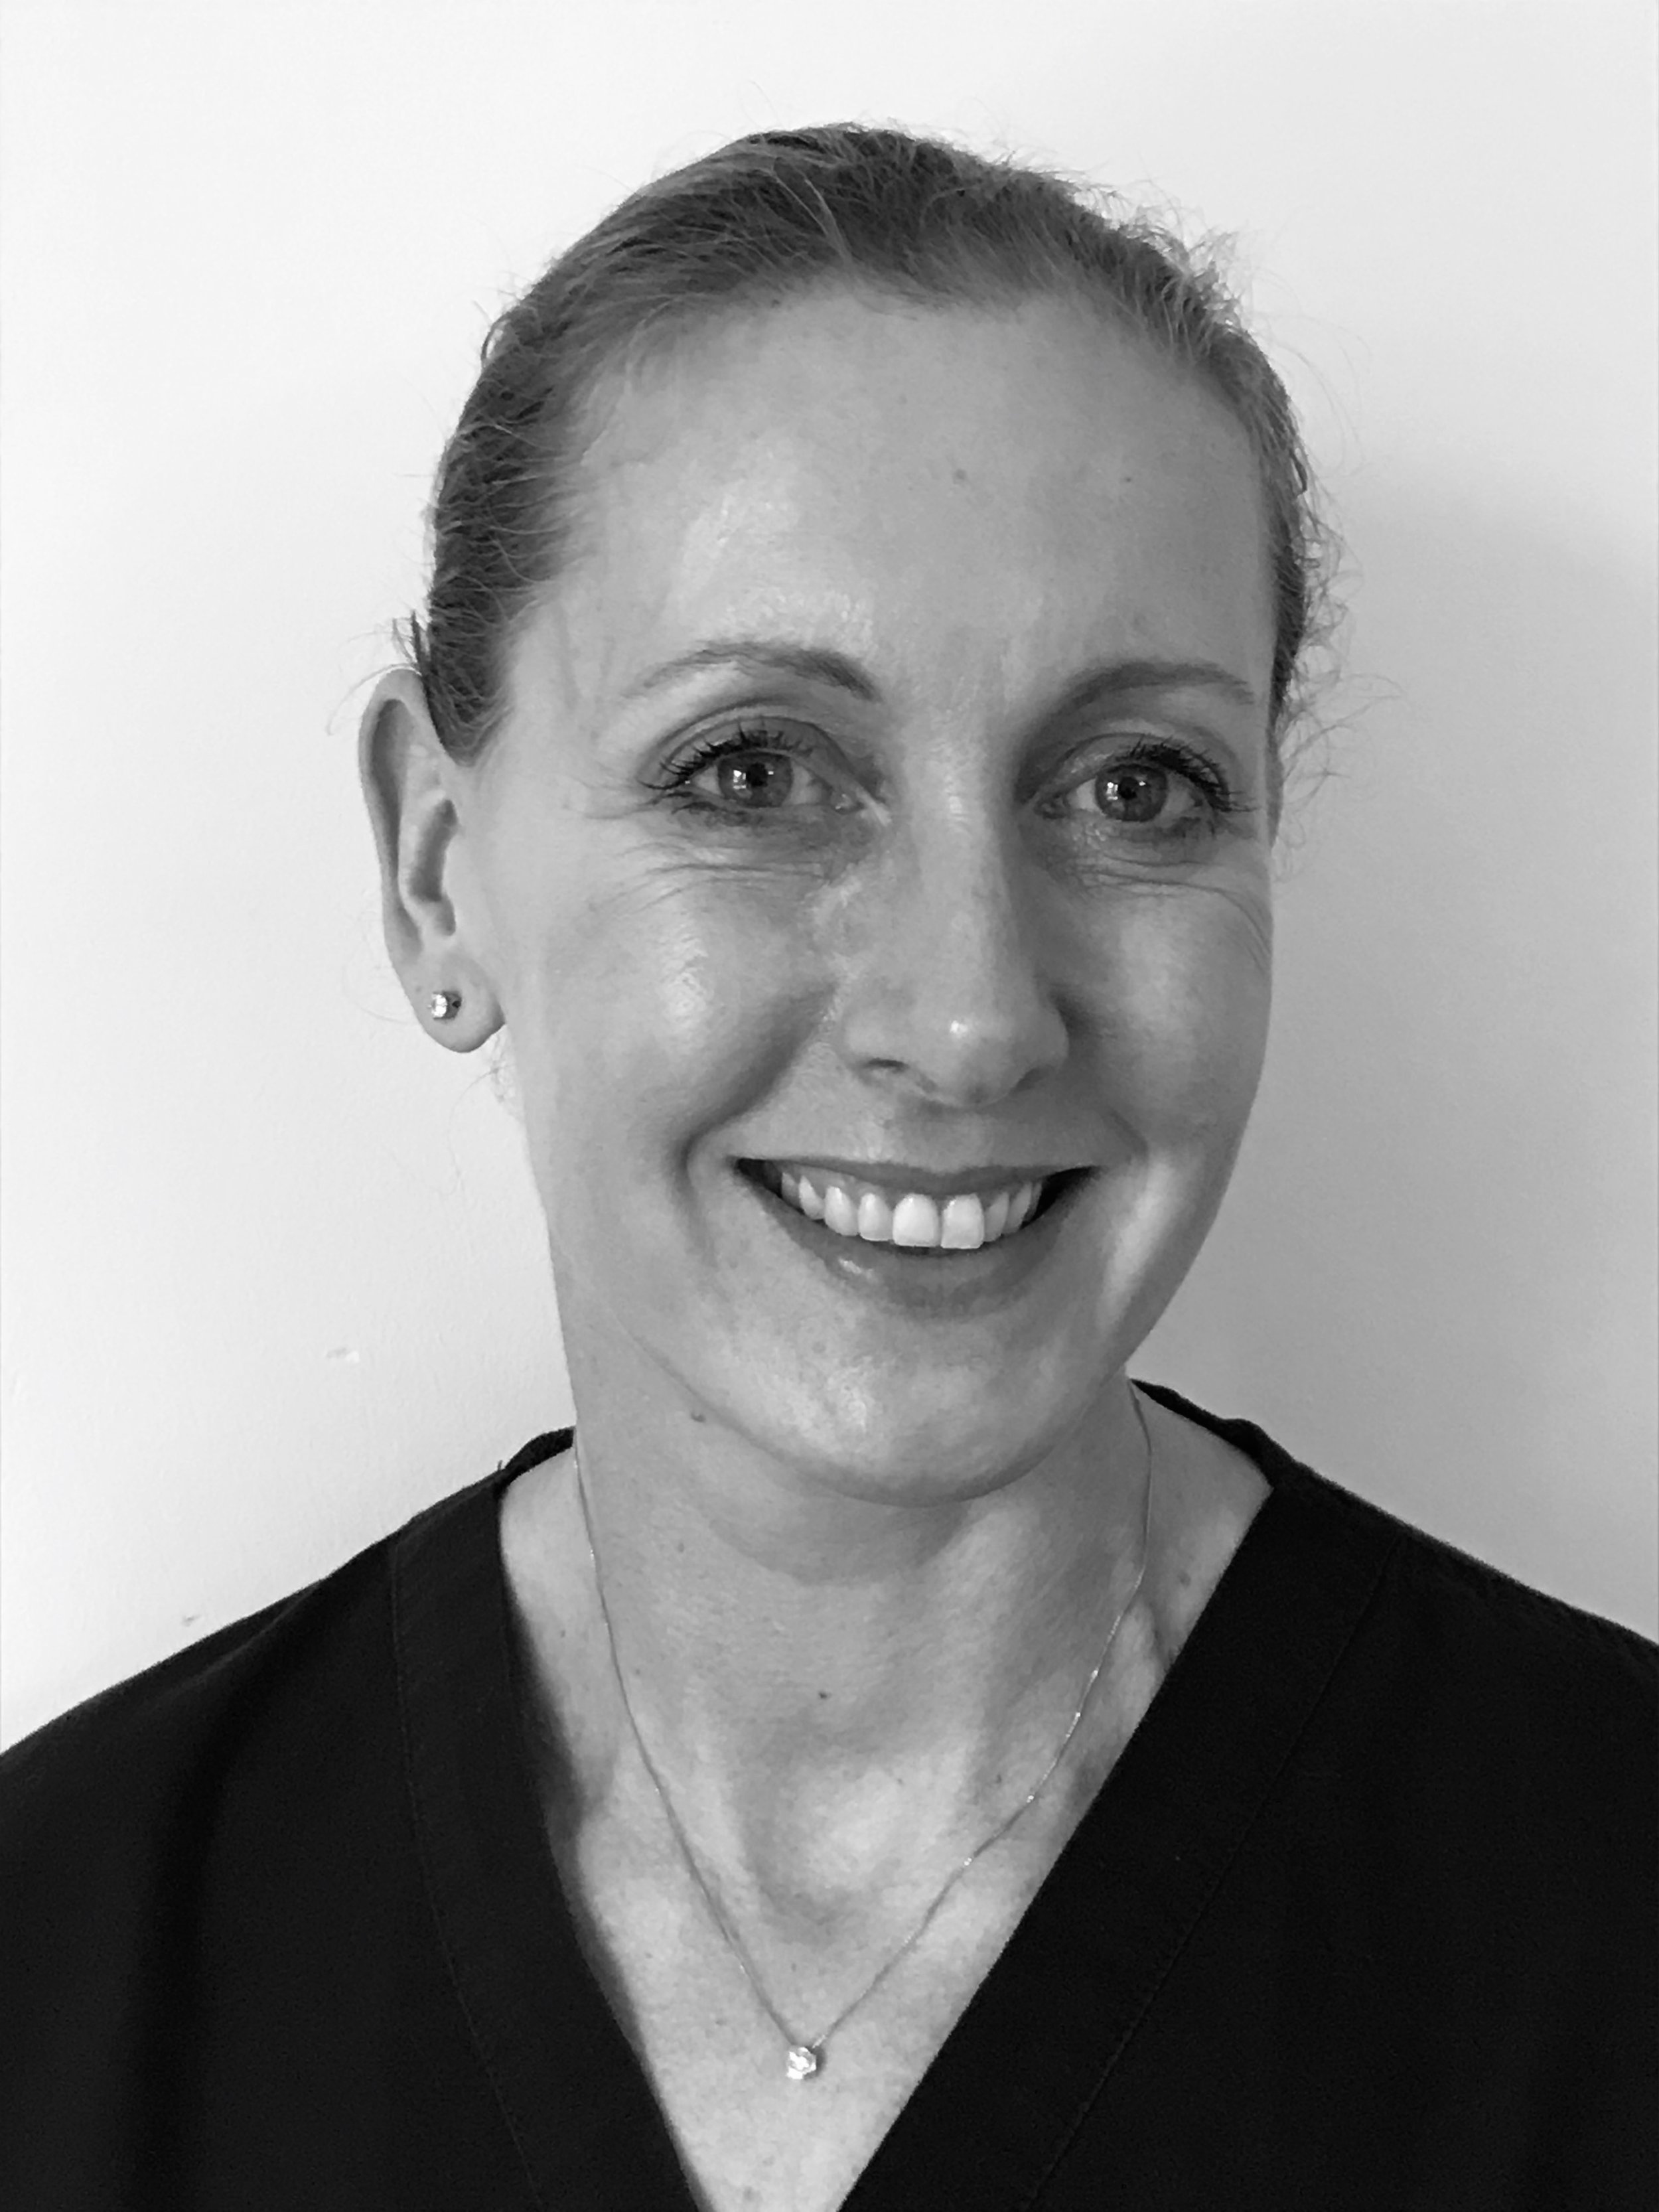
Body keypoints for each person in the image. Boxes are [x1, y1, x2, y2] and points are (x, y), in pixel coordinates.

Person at [2, 122, 1653, 2212]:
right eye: (753, 772)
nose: (967, 1021)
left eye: (1137, 784)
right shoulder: (61, 1968)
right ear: (438, 870)